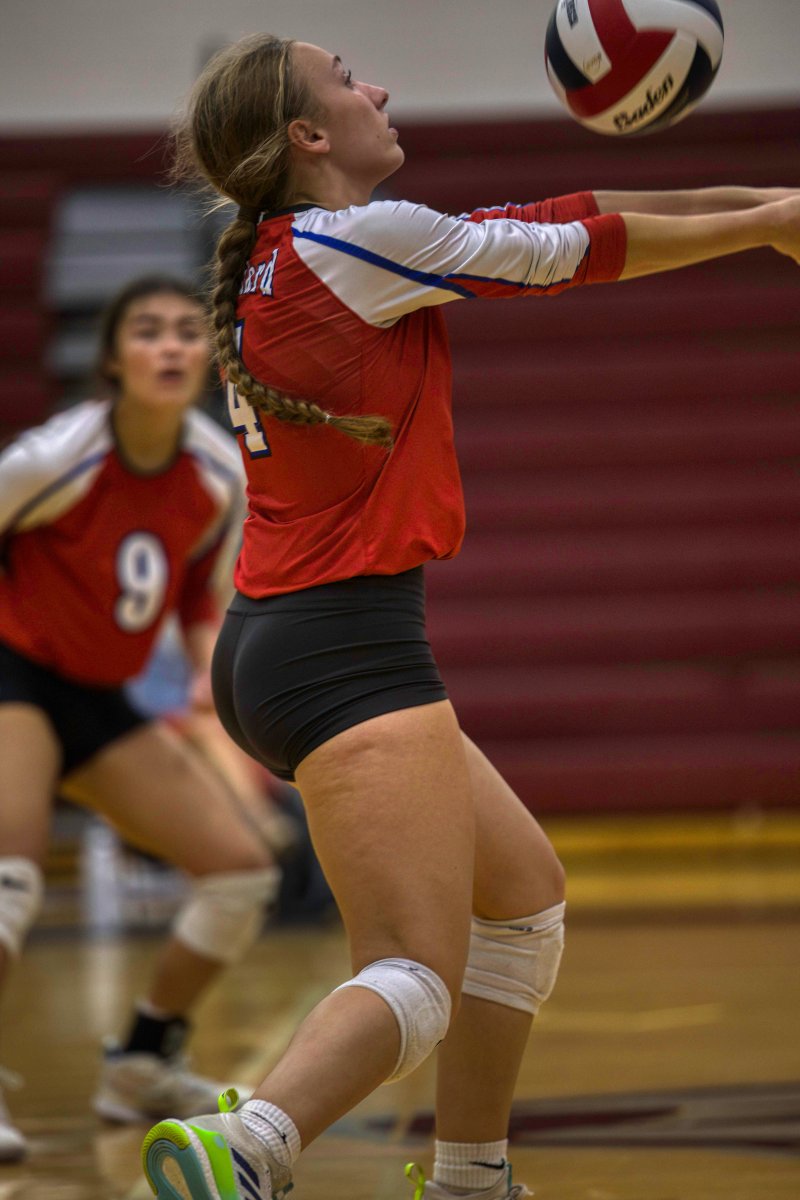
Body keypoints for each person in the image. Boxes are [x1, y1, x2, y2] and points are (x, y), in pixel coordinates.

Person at [139, 33, 800, 1200]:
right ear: (306, 134)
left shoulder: (309, 250)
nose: (378, 88)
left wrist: (765, 209)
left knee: (523, 903)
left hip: (299, 638)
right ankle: (244, 1149)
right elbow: (573, 250)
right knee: (411, 971)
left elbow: (567, 212)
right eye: (348, 79)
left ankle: (470, 1180)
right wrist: (759, 223)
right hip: (341, 649)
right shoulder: (354, 242)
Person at [0, 275, 285, 1161]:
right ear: (114, 360)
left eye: (187, 332)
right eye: (148, 331)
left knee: (239, 871)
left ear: (209, 356)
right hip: (12, 670)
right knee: (10, 878)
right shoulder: (57, 457)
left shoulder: (217, 473)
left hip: (101, 694)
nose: (170, 346)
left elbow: (199, 595)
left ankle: (140, 1062)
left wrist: (209, 674)